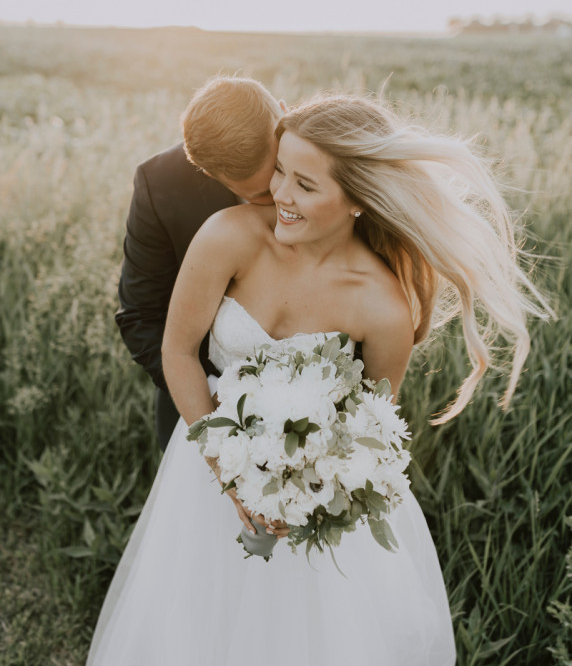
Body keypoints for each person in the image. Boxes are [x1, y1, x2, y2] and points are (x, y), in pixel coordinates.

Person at [88, 94, 550, 665]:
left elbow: (370, 426)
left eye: (304, 185)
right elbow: (176, 350)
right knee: (190, 622)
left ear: (356, 200)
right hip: (205, 462)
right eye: (279, 170)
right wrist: (230, 472)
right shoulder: (226, 234)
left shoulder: (383, 308)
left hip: (309, 495)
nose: (278, 194)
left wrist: (303, 486)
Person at [115, 75, 283, 450]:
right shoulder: (160, 184)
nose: (282, 194)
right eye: (260, 193)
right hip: (201, 407)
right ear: (207, 173)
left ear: (284, 114)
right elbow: (140, 315)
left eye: (280, 170)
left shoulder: (330, 153)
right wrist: (209, 402)